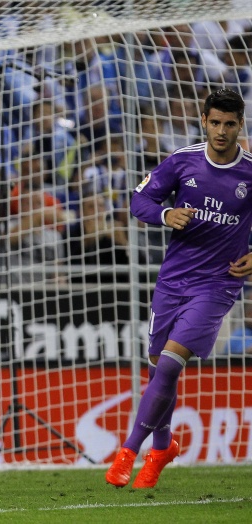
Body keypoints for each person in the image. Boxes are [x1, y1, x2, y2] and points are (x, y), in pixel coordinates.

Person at [106, 89, 252, 489]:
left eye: (230, 124)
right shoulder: (182, 161)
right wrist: (166, 213)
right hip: (173, 279)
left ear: (240, 125)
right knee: (159, 370)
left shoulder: (249, 173)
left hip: (218, 283)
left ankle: (128, 452)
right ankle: (163, 447)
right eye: (215, 122)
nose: (221, 131)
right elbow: (139, 201)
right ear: (203, 121)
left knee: (170, 365)